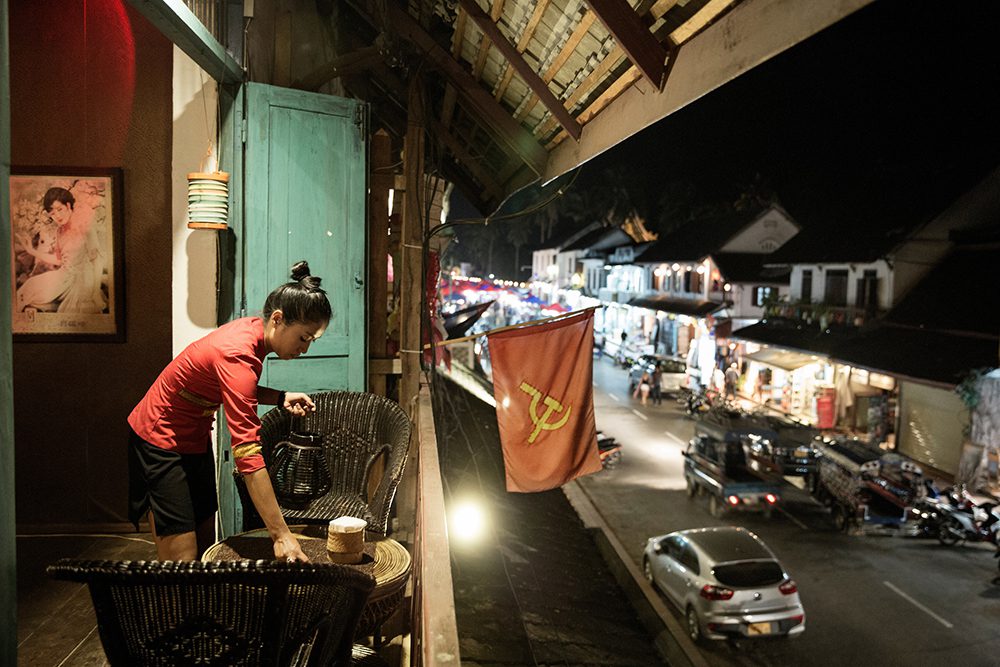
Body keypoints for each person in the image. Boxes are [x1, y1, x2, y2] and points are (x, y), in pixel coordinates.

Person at [127, 260, 331, 562]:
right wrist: (281, 534)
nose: (305, 348)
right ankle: (171, 608)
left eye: (312, 341)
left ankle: (201, 606)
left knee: (206, 536)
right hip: (159, 438)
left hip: (193, 437)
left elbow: (235, 387)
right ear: (277, 319)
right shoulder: (237, 353)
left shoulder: (253, 332)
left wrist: (279, 397)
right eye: (303, 338)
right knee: (182, 555)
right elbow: (248, 453)